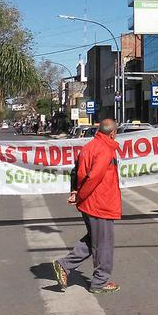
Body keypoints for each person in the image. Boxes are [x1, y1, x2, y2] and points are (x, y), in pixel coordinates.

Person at [54, 118, 122, 294]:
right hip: (100, 203)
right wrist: (80, 196)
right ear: (113, 133)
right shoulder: (105, 150)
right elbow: (93, 178)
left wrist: (77, 192)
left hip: (92, 203)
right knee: (104, 244)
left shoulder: (89, 147)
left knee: (95, 240)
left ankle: (64, 265)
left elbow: (77, 172)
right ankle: (100, 282)